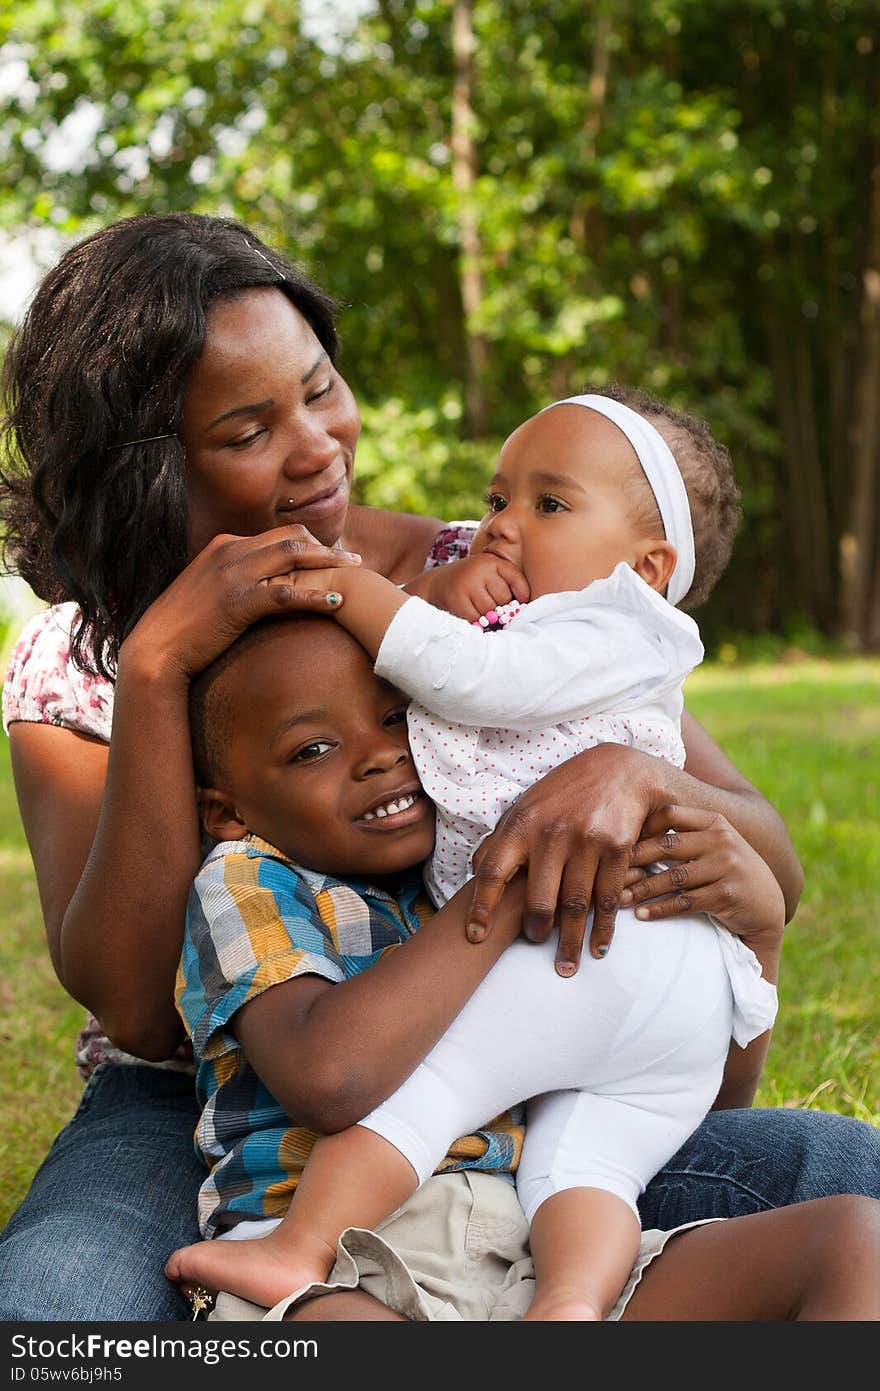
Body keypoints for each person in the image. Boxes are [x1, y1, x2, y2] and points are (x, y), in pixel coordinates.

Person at [0, 212, 877, 1323]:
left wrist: (637, 776)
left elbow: (764, 858)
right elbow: (133, 1006)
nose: (317, 444)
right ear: (151, 469)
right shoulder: (80, 661)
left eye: (320, 389)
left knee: (852, 1175)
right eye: (247, 427)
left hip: (516, 1080)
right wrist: (162, 662)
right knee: (51, 1309)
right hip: (193, 1110)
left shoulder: (492, 570)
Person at [166, 390, 780, 1321]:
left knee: (442, 1082)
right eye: (496, 501)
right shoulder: (576, 627)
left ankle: (301, 1245)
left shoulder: (593, 628)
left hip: (589, 958)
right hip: (668, 1002)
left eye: (546, 505)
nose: (498, 529)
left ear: (650, 566)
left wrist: (345, 584)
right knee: (593, 1167)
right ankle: (570, 1308)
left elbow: (466, 673)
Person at [163, 612, 879, 1322]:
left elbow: (691, 1108)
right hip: (329, 1266)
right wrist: (506, 884)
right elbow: (328, 1077)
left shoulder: (456, 860)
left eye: (397, 719)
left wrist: (756, 943)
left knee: (855, 1241)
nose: (381, 755)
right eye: (313, 747)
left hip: (530, 1260)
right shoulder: (249, 879)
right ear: (228, 811)